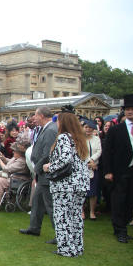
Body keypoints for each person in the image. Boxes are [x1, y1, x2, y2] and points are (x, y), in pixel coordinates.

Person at [43, 110, 89, 257]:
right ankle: (77, 247)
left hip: (66, 185)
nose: (56, 123)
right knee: (75, 216)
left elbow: (65, 159)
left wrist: (49, 166)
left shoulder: (63, 137)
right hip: (80, 184)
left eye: (58, 120)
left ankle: (66, 249)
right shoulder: (79, 138)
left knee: (62, 216)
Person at [19, 106, 58, 244]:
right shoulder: (46, 128)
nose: (33, 118)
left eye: (35, 115)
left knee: (50, 205)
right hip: (42, 173)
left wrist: (37, 167)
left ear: (41, 115)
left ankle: (60, 235)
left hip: (45, 173)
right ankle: (34, 228)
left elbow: (48, 153)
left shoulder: (51, 130)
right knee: (37, 201)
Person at [103, 95, 133, 243]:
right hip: (120, 171)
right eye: (127, 109)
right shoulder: (116, 130)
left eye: (132, 109)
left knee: (130, 201)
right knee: (119, 201)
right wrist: (108, 171)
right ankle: (120, 230)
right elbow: (107, 151)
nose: (130, 112)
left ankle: (125, 224)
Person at [0, 139, 30, 206]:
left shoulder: (22, 161)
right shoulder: (15, 158)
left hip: (18, 179)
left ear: (19, 153)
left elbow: (7, 169)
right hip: (10, 177)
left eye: (15, 151)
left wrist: (0, 161)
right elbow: (9, 162)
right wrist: (3, 158)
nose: (13, 152)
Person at [82, 119, 101, 220]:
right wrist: (88, 162)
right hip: (82, 167)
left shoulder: (96, 139)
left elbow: (99, 151)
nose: (88, 129)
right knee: (81, 191)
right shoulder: (80, 139)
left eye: (90, 127)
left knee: (93, 192)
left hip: (94, 167)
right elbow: (80, 151)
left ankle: (92, 212)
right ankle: (81, 212)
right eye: (86, 127)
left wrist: (92, 160)